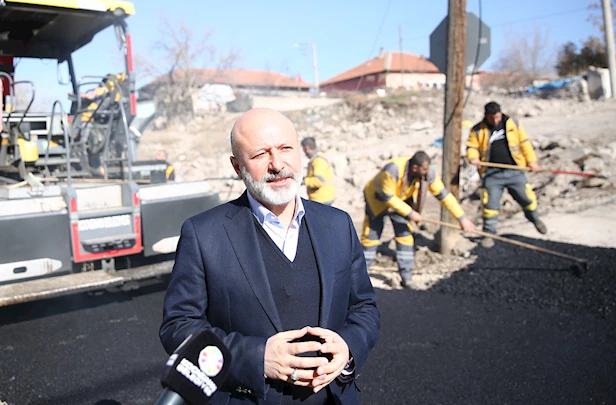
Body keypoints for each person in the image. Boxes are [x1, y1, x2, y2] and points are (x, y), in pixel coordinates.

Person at [160, 108, 379, 404]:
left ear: (300, 152)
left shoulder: (338, 225)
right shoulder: (204, 235)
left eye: (286, 149)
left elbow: (364, 306)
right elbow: (178, 326)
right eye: (261, 154)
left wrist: (348, 346)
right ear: (237, 167)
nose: (277, 164)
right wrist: (257, 358)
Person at [361, 151, 475, 289]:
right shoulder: (393, 169)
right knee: (371, 236)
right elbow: (388, 197)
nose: (428, 172)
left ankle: (407, 277)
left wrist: (461, 218)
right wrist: (411, 213)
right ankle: (360, 275)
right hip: (378, 199)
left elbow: (444, 196)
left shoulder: (427, 175)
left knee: (405, 236)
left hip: (402, 199)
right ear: (415, 168)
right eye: (425, 169)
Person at [466, 101, 546, 247]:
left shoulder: (512, 123)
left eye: (497, 117)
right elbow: (472, 146)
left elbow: (524, 143)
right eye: (492, 118)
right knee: (490, 205)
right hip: (492, 173)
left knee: (527, 198)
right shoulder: (477, 130)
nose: (495, 121)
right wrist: (473, 157)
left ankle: (535, 218)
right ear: (486, 116)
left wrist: (532, 161)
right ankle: (489, 234)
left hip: (514, 170)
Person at [301, 137, 335, 205]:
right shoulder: (316, 158)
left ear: (307, 148)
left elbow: (318, 181)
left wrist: (303, 181)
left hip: (321, 200)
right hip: (321, 199)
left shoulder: (318, 160)